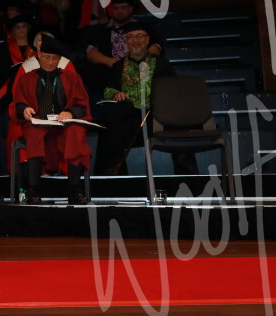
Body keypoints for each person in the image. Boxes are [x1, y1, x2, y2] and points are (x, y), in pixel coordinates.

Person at [94, 21, 190, 175]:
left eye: (139, 36)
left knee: (178, 118)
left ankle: (187, 177)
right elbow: (108, 89)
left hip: (156, 117)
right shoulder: (118, 66)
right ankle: (113, 176)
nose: (135, 40)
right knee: (109, 114)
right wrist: (115, 94)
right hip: (128, 118)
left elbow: (173, 89)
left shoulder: (161, 63)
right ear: (126, 41)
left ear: (147, 40)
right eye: (131, 37)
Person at [11, 33, 92, 204]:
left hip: (64, 125)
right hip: (39, 123)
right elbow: (19, 103)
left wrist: (70, 112)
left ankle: (74, 189)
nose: (50, 62)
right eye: (47, 57)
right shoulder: (27, 79)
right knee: (33, 131)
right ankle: (34, 190)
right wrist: (24, 109)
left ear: (60, 59)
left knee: (76, 132)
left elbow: (82, 104)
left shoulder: (72, 78)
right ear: (39, 55)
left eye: (55, 58)